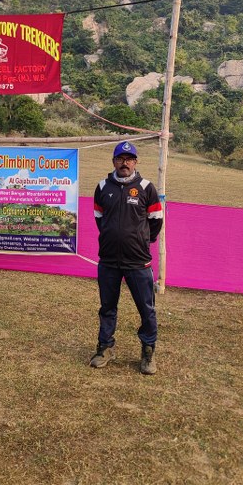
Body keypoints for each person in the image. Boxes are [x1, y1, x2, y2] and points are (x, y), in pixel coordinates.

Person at [90, 141, 163, 375]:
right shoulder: (103, 187)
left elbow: (156, 220)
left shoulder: (146, 187)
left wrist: (141, 240)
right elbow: (99, 217)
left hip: (138, 261)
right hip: (109, 260)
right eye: (120, 159)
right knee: (107, 307)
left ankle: (148, 350)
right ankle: (105, 347)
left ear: (135, 162)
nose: (125, 163)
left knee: (146, 309)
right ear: (114, 161)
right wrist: (113, 237)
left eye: (129, 159)